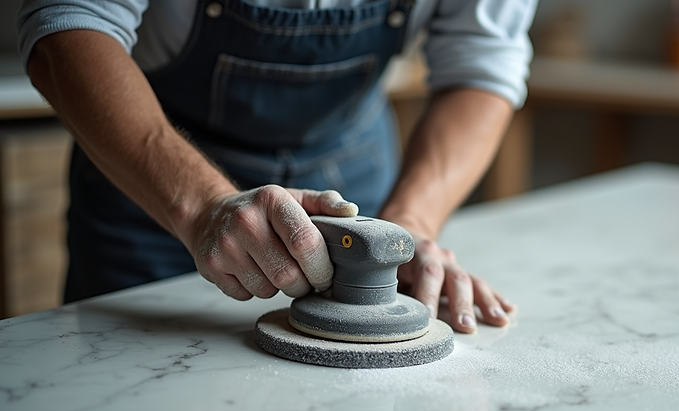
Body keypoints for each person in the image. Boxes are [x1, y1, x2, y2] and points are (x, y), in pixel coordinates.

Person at [17, 0, 535, 333]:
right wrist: (201, 206)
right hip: (154, 182)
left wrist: (410, 226)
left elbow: (483, 64)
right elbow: (68, 26)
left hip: (352, 174)